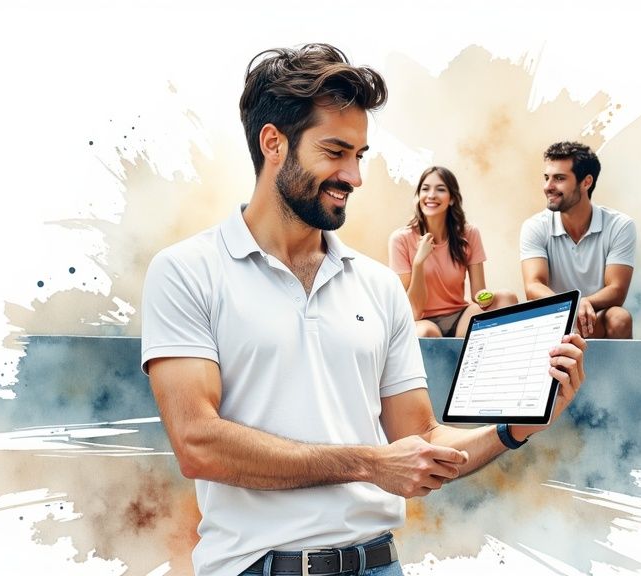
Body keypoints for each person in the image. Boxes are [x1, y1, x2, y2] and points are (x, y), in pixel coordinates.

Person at [141, 44, 587, 576]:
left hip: (379, 565)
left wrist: (515, 428)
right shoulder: (187, 271)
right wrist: (368, 463)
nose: (354, 175)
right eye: (336, 152)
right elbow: (198, 443)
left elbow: (419, 440)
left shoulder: (377, 287)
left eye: (360, 155)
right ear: (273, 144)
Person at [519, 141, 637, 339]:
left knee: (620, 317)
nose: (548, 187)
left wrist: (583, 304)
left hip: (593, 318)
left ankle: (616, 371)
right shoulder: (534, 226)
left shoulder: (620, 225)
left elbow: (616, 290)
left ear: (586, 182)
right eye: (547, 178)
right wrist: (573, 304)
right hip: (552, 317)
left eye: (559, 178)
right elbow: (533, 286)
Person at [387, 166, 518, 338]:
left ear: (452, 199)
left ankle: (474, 355)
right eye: (425, 189)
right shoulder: (401, 239)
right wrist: (419, 262)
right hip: (423, 321)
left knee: (507, 298)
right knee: (428, 332)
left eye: (440, 189)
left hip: (460, 317)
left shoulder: (469, 233)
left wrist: (485, 297)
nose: (431, 195)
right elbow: (413, 312)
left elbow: (478, 293)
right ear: (418, 196)